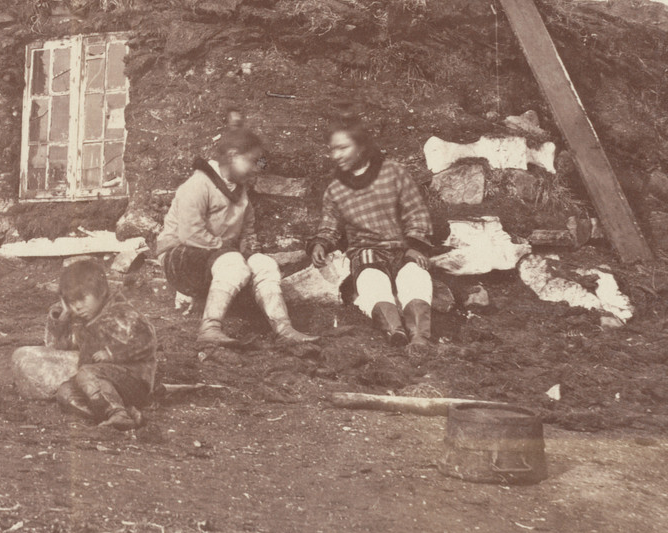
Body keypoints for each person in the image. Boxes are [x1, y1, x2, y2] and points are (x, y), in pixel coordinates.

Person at [155, 126, 317, 353]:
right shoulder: (198, 185)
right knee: (233, 262)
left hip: (216, 259)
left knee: (265, 264)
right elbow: (189, 234)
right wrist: (231, 251)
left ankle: (284, 328)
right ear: (232, 156)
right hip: (180, 258)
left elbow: (248, 231)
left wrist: (248, 250)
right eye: (253, 161)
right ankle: (209, 328)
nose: (257, 168)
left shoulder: (241, 194)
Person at [309, 119, 438, 348]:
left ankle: (419, 336)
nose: (336, 155)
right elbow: (331, 224)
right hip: (367, 252)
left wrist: (414, 246)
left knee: (415, 277)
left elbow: (415, 212)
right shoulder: (336, 189)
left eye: (343, 148)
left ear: (361, 147)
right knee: (372, 282)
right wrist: (321, 243)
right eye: (332, 150)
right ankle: (394, 331)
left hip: (402, 248)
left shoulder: (394, 173)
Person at [46, 256, 158, 430]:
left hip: (133, 380)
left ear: (101, 291)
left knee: (86, 374)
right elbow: (61, 345)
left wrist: (113, 354)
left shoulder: (120, 313)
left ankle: (118, 414)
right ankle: (125, 412)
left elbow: (147, 341)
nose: (77, 308)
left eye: (81, 299)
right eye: (71, 303)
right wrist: (62, 316)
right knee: (65, 393)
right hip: (99, 384)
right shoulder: (82, 320)